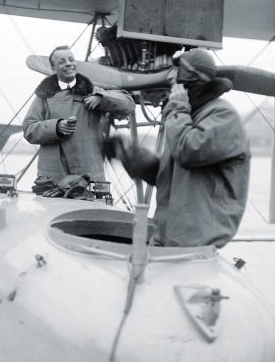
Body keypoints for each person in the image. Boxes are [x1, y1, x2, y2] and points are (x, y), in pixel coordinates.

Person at [106, 48, 251, 248]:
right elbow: (170, 175)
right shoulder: (188, 117)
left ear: (189, 82)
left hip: (196, 244)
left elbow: (188, 151)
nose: (171, 83)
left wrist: (177, 107)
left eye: (176, 78)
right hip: (168, 239)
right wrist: (131, 155)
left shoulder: (223, 116)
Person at [23, 45, 135, 189]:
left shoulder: (93, 91)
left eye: (71, 59)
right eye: (62, 61)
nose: (69, 63)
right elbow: (28, 128)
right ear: (53, 69)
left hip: (90, 177)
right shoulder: (43, 97)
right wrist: (55, 127)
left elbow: (129, 104)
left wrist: (102, 99)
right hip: (54, 179)